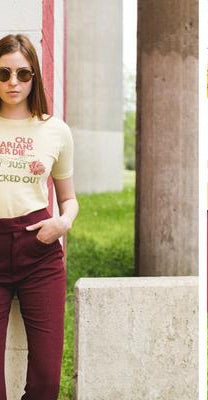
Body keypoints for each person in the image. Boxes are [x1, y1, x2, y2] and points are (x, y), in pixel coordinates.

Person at [0, 33, 78, 399]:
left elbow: (69, 199)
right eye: (3, 74)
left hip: (39, 248)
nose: (13, 83)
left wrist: (62, 224)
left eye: (22, 74)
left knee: (47, 378)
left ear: (35, 77)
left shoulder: (55, 130)